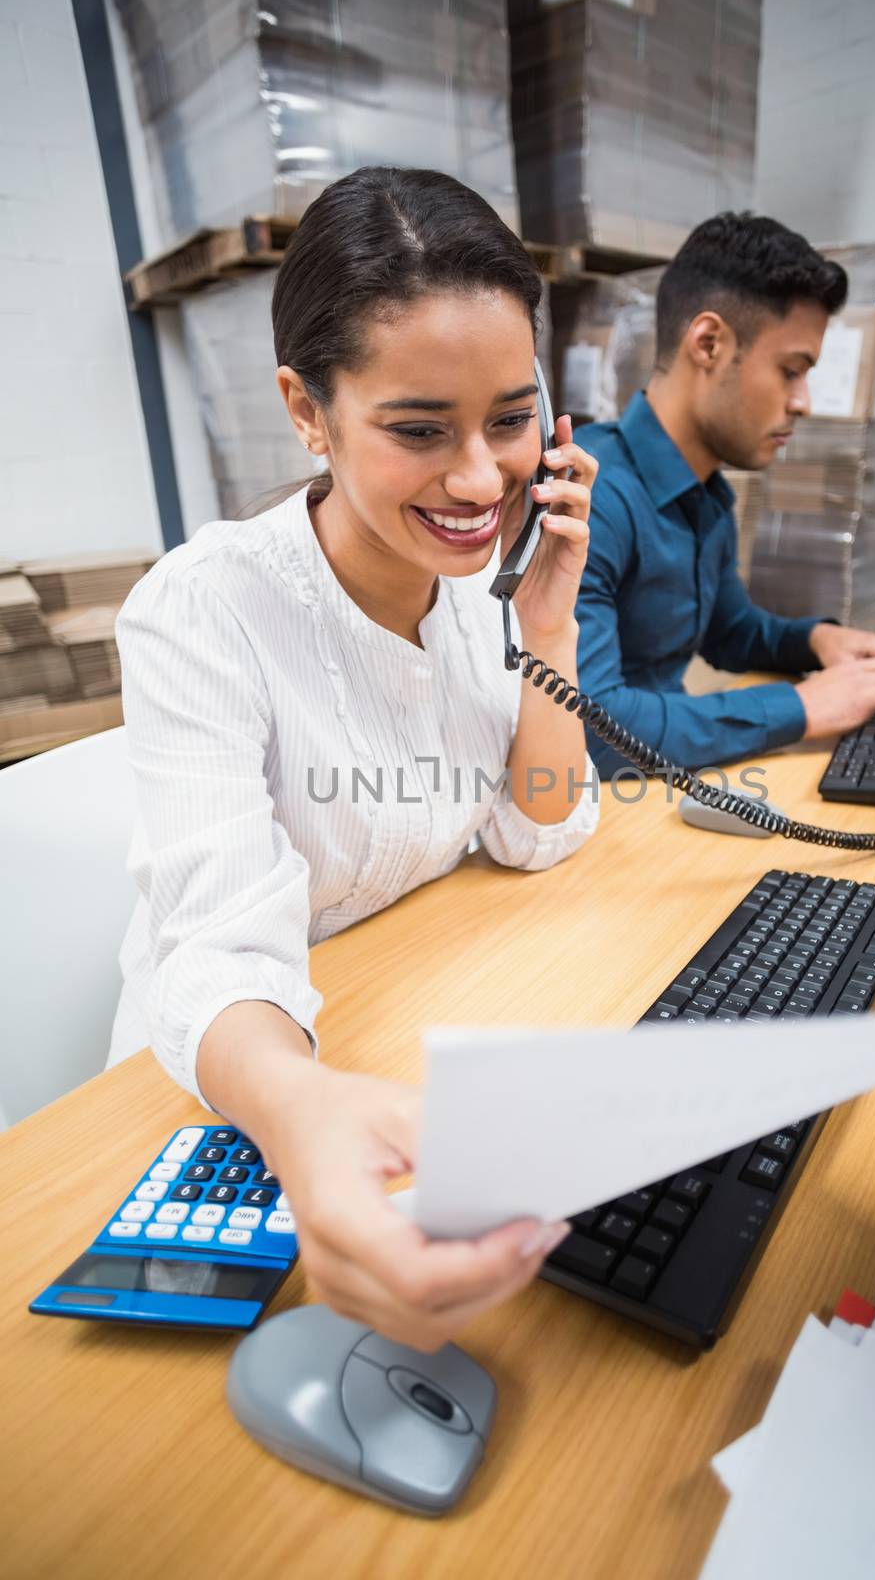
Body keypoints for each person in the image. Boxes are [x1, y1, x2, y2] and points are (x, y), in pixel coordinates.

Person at [109, 167, 600, 1349]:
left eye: (511, 418)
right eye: (420, 430)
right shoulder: (201, 609)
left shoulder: (473, 590)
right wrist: (301, 1108)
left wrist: (545, 628)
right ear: (306, 407)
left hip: (396, 1031)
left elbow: (536, 827)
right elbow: (216, 947)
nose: (483, 480)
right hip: (231, 1088)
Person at [574, 212, 875, 778]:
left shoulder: (707, 495)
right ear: (709, 343)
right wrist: (804, 706)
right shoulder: (593, 499)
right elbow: (589, 730)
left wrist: (823, 643)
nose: (804, 402)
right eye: (791, 370)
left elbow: (729, 631)